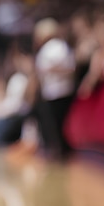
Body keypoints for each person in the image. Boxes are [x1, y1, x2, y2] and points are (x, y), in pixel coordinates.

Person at [33, 18, 76, 158]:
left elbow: (68, 68)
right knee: (58, 124)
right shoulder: (59, 46)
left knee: (58, 124)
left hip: (58, 91)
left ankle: (62, 151)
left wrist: (50, 70)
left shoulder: (55, 46)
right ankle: (61, 150)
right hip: (56, 91)